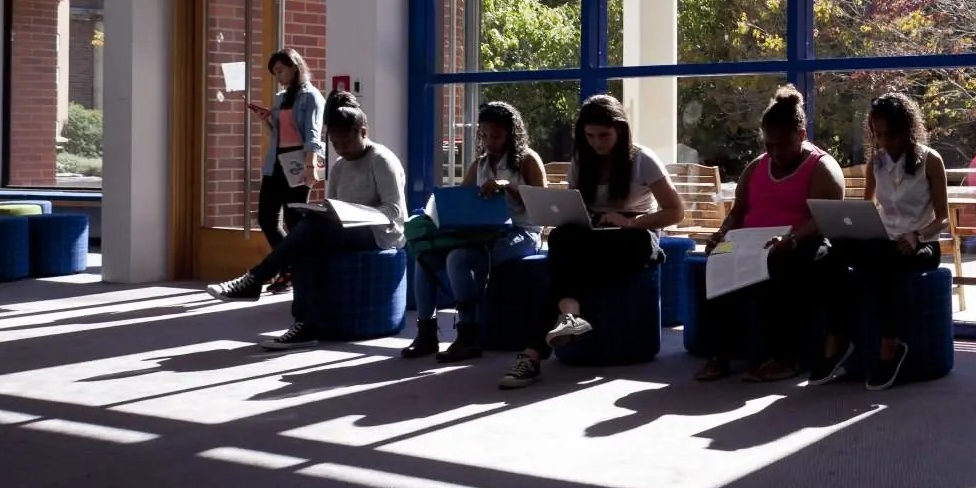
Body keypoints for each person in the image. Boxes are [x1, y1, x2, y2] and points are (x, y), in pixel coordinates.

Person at [499, 94, 685, 390]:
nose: (597, 142)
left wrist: (629, 222)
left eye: (604, 135)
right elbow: (576, 204)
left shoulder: (642, 159)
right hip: (594, 233)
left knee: (568, 272)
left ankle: (535, 351)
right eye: (589, 136)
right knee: (561, 237)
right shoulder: (581, 161)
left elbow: (676, 211)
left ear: (621, 129)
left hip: (635, 233)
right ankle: (566, 318)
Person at [206, 91, 408, 350]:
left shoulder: (382, 160)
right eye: (335, 144)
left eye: (346, 142)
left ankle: (256, 279)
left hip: (382, 233)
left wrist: (355, 214)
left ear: (363, 132)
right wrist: (327, 210)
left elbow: (394, 212)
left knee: (310, 230)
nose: (341, 149)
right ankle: (304, 324)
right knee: (306, 243)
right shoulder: (339, 167)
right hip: (348, 230)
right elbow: (334, 205)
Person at [698, 84, 844, 384]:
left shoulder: (822, 168)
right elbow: (737, 212)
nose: (774, 153)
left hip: (802, 244)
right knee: (715, 259)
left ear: (801, 136)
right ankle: (721, 354)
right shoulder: (755, 168)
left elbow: (822, 219)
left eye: (782, 145)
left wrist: (790, 239)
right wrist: (721, 234)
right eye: (769, 146)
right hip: (752, 244)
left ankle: (785, 358)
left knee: (782, 266)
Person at [817, 92, 950, 390]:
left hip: (922, 244)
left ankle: (891, 345)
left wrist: (917, 235)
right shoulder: (875, 163)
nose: (883, 141)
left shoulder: (931, 161)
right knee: (831, 252)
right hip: (885, 241)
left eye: (889, 134)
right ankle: (837, 337)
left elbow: (943, 218)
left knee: (887, 263)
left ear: (907, 129)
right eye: (877, 135)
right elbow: (867, 208)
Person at [404, 101, 547, 363]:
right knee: (424, 254)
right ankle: (426, 332)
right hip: (481, 232)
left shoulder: (527, 159)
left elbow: (542, 207)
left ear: (511, 134)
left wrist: (508, 186)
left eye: (496, 135)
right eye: (483, 135)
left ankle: (468, 333)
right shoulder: (479, 164)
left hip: (521, 232)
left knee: (459, 258)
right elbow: (463, 202)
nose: (489, 142)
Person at [244, 49, 325, 295]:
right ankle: (289, 266)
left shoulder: (311, 96)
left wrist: (311, 166)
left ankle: (295, 272)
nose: (278, 76)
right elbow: (276, 136)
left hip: (298, 162)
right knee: (267, 218)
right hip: (275, 162)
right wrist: (265, 120)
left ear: (294, 66)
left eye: (280, 70)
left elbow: (313, 136)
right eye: (274, 73)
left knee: (294, 220)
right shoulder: (280, 98)